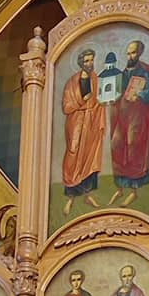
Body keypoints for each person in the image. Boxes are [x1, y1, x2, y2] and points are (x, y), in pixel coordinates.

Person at [110, 39, 149, 201]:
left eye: (133, 53)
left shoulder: (146, 71)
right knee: (117, 145)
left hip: (137, 116)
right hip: (121, 116)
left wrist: (140, 94)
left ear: (139, 53)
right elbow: (118, 92)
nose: (130, 56)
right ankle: (120, 187)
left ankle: (134, 191)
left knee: (133, 147)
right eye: (128, 53)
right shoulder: (123, 72)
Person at [59, 49, 106, 208]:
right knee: (73, 154)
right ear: (81, 63)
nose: (89, 63)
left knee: (90, 156)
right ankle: (70, 199)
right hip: (77, 123)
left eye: (91, 60)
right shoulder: (71, 83)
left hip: (92, 122)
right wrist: (81, 100)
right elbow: (66, 107)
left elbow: (99, 99)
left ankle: (88, 195)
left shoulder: (95, 79)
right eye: (86, 61)